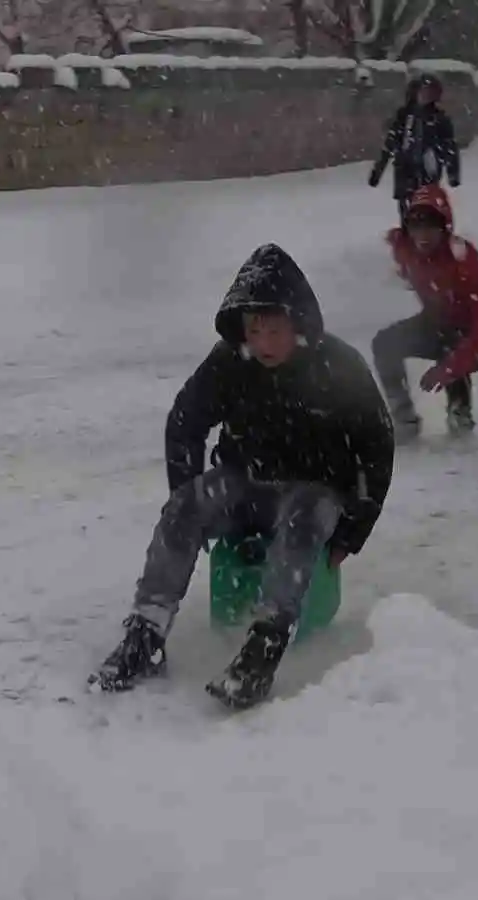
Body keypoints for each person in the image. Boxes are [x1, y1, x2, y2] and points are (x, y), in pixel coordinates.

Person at [88, 243, 395, 710]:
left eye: (274, 330)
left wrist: (350, 534)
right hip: (246, 482)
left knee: (303, 518)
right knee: (188, 504)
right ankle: (145, 634)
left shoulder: (339, 366)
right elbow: (184, 423)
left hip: (315, 492)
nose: (264, 342)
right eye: (254, 330)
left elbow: (377, 446)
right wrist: (185, 496)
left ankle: (265, 644)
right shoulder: (230, 362)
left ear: (298, 326)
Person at [373, 183, 478, 441]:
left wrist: (449, 369)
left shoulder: (464, 261)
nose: (423, 235)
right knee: (385, 343)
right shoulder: (405, 248)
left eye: (431, 227)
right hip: (440, 320)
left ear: (445, 227)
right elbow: (395, 250)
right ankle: (403, 417)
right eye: (416, 227)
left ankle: (460, 412)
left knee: (452, 342)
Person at [368, 73, 461, 224]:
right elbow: (390, 142)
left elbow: (450, 146)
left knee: (427, 209)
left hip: (428, 172)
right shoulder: (404, 116)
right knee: (406, 211)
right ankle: (408, 239)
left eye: (430, 93)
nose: (426, 96)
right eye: (423, 92)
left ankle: (428, 239)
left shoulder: (439, 119)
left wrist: (453, 174)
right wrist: (377, 171)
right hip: (405, 171)